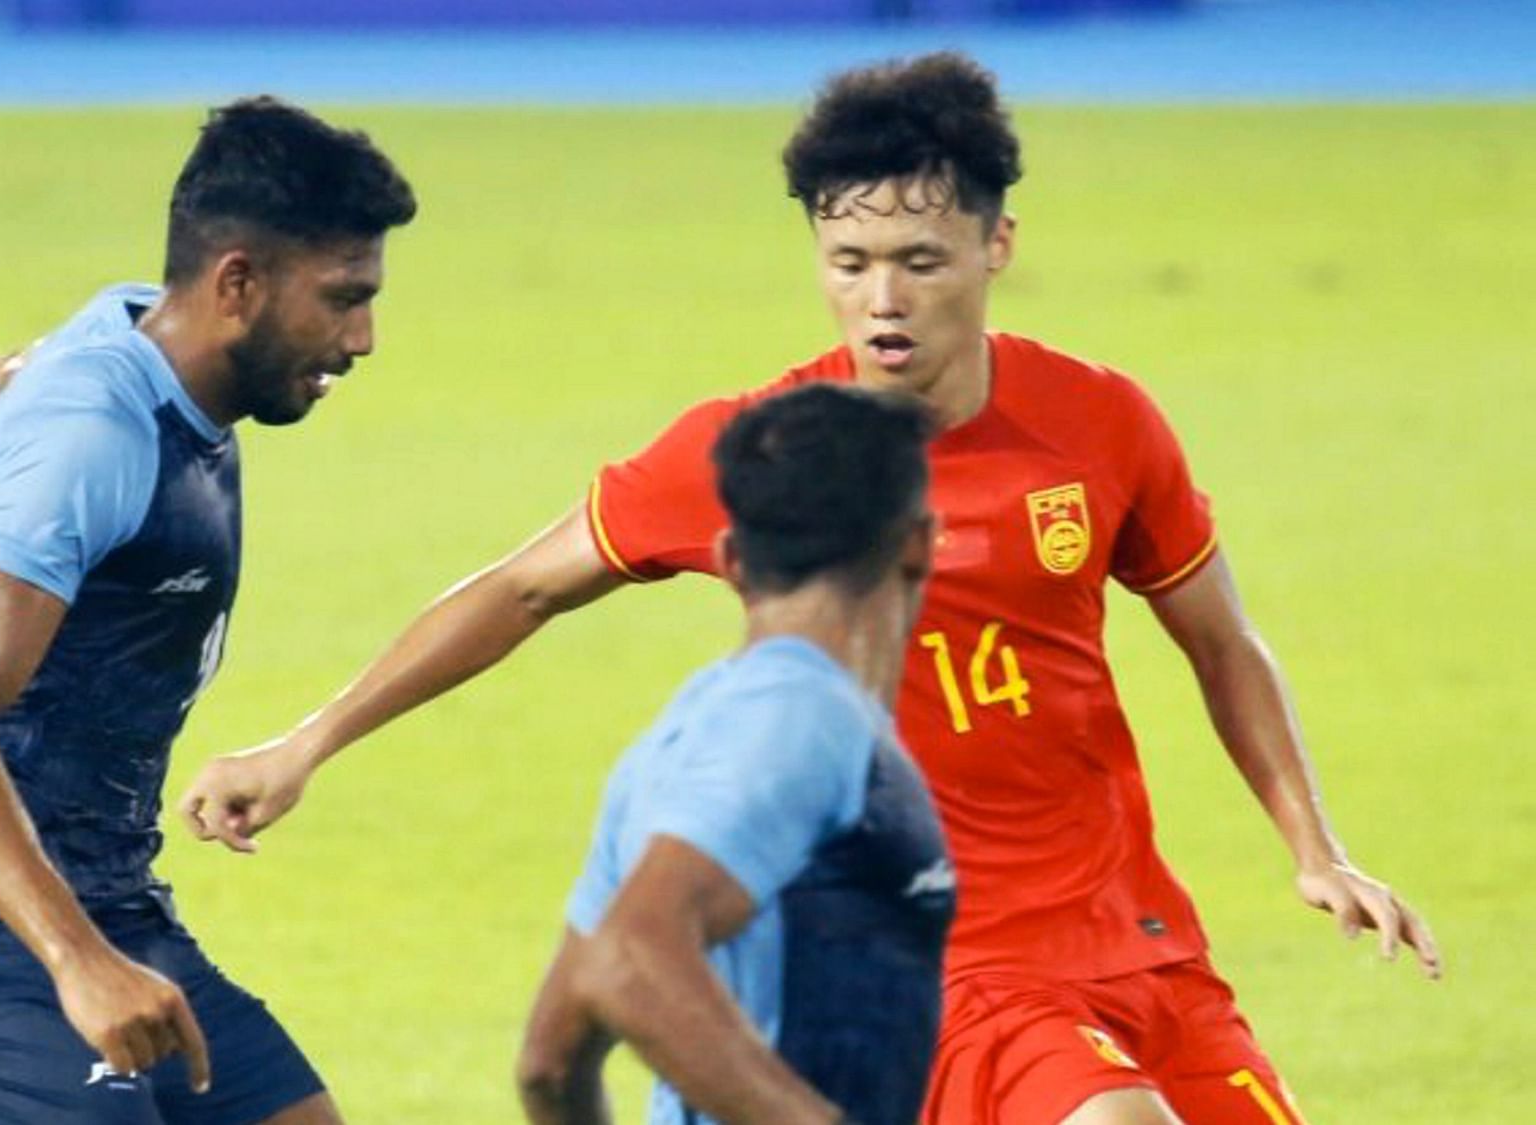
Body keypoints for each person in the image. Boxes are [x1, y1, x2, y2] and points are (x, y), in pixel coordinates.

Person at [180, 55, 1440, 1125]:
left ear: (996, 244)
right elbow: (519, 590)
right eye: (846, 260)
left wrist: (1311, 849)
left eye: (917, 259)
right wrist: (308, 743)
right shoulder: (767, 457)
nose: (879, 299)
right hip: (959, 963)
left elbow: (1218, 642)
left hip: (1142, 940)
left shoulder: (1099, 422)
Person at [0, 96, 415, 1125]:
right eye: (341, 299)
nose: (363, 337)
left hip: (112, 912)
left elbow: (50, 362)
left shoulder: (143, 342)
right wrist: (77, 963)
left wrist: (19, 397)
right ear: (236, 284)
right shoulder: (90, 434)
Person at [516, 384, 952, 1125]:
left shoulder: (680, 737)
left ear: (731, 558)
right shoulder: (805, 720)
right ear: (917, 542)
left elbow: (550, 1065)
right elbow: (629, 957)